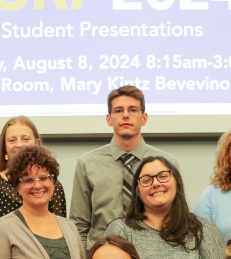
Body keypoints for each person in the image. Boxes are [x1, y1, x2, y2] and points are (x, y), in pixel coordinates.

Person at [69, 85, 175, 247]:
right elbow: (79, 226)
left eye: (132, 110)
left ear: (144, 118)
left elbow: (176, 216)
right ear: (109, 119)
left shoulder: (166, 164)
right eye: (118, 110)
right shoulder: (87, 163)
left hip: (153, 257)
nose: (126, 115)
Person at [0, 116, 68, 225]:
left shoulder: (50, 185)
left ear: (37, 143)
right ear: (4, 146)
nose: (19, 145)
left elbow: (61, 229)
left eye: (25, 139)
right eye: (12, 140)